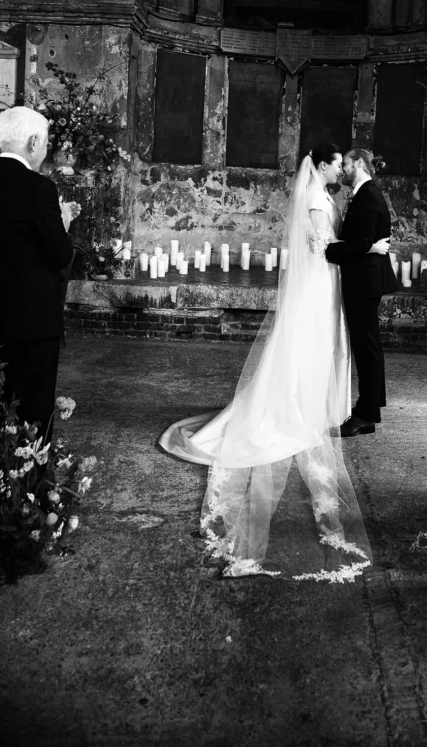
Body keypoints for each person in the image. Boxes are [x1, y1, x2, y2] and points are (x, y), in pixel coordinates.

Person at [159, 143, 390, 579]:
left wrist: (361, 246)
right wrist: (369, 248)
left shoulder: (325, 196)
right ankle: (297, 407)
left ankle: (317, 403)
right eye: (336, 162)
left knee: (321, 345)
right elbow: (325, 248)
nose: (341, 167)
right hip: (321, 281)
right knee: (310, 344)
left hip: (329, 281)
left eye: (344, 163)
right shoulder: (317, 199)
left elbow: (335, 244)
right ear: (321, 167)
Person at [0, 106, 80, 439]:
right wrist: (64, 224)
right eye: (44, 143)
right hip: (29, 326)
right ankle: (30, 485)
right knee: (32, 414)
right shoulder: (38, 189)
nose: (44, 151)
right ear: (31, 143)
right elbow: (59, 254)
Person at [325, 149, 398, 437]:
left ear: (358, 163)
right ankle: (369, 410)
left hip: (365, 281)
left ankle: (366, 414)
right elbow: (364, 241)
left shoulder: (368, 194)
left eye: (345, 164)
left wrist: (327, 249)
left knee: (367, 347)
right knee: (366, 346)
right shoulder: (364, 193)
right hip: (364, 277)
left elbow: (360, 242)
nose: (341, 169)